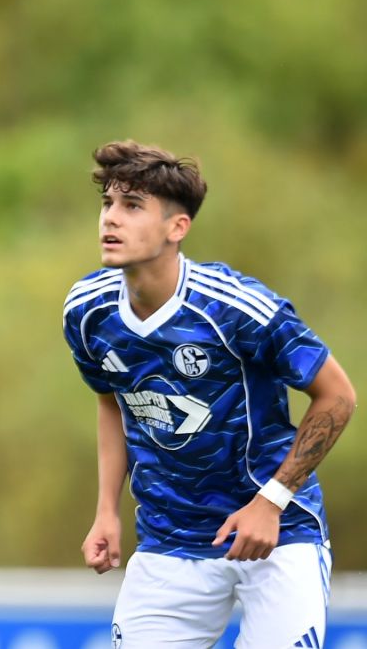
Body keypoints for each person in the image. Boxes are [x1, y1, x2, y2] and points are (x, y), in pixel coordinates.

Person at [63, 140, 356, 648]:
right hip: (169, 542)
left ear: (178, 228)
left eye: (132, 206)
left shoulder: (237, 308)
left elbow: (338, 396)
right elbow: (111, 399)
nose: (111, 219)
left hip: (276, 535)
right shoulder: (87, 311)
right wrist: (106, 510)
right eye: (107, 204)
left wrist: (273, 500)